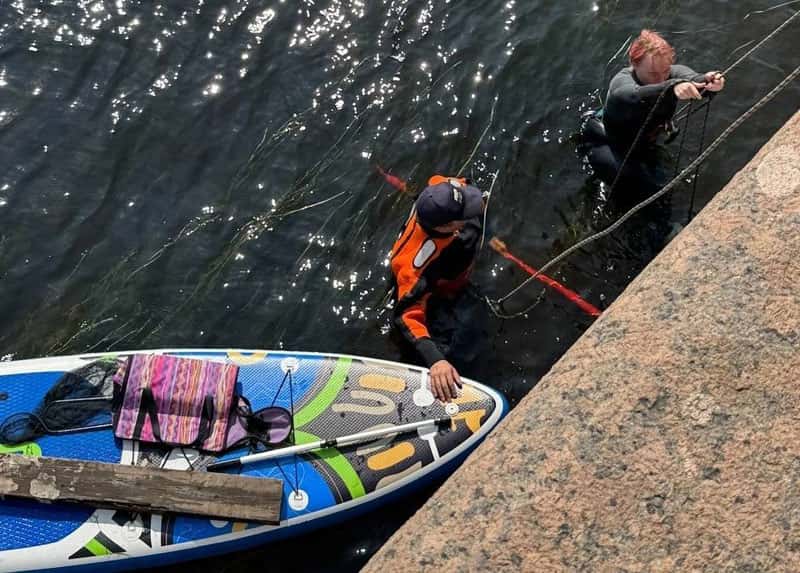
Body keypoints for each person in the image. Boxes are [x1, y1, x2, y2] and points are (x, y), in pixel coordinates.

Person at [581, 29, 725, 197]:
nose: (661, 78)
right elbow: (635, 94)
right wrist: (672, 86)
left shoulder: (672, 74)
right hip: (608, 143)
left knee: (664, 184)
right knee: (643, 192)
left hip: (643, 141)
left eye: (665, 71)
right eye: (653, 74)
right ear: (634, 65)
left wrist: (710, 82)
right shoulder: (621, 83)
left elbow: (694, 79)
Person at [389, 175, 485, 403]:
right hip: (437, 284)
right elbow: (405, 315)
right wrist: (436, 360)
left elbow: (445, 181)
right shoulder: (416, 270)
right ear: (445, 226)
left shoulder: (436, 191)